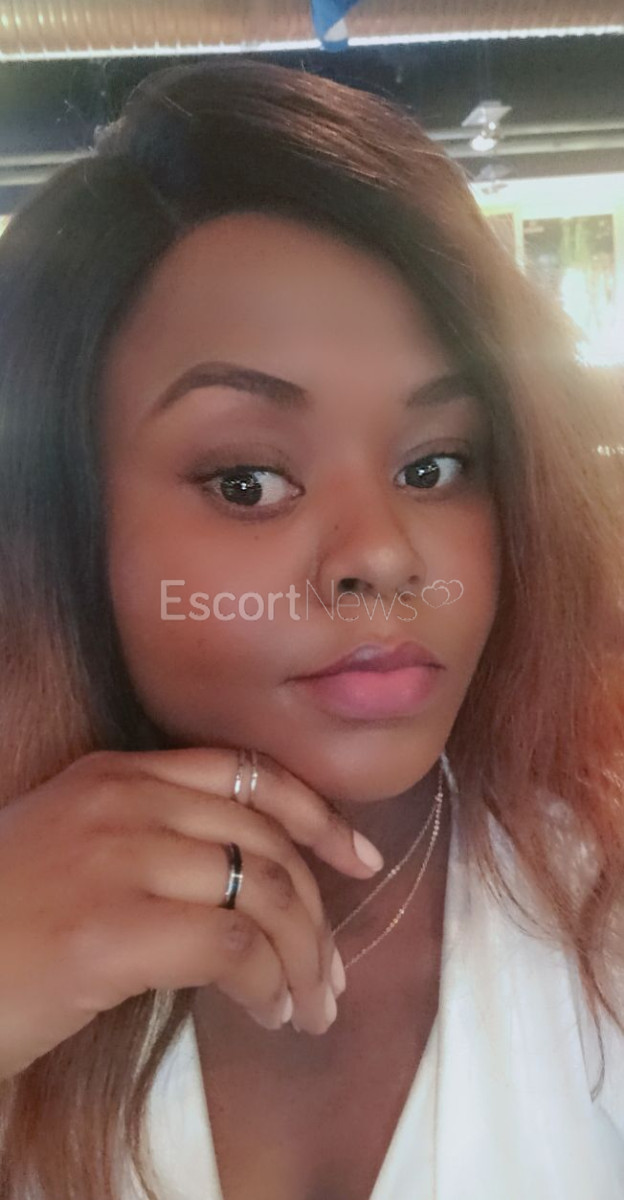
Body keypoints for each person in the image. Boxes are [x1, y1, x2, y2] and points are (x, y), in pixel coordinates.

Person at [0, 58, 622, 1200]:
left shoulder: (600, 912)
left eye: (436, 466)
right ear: (63, 523)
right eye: (247, 481)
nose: (382, 554)